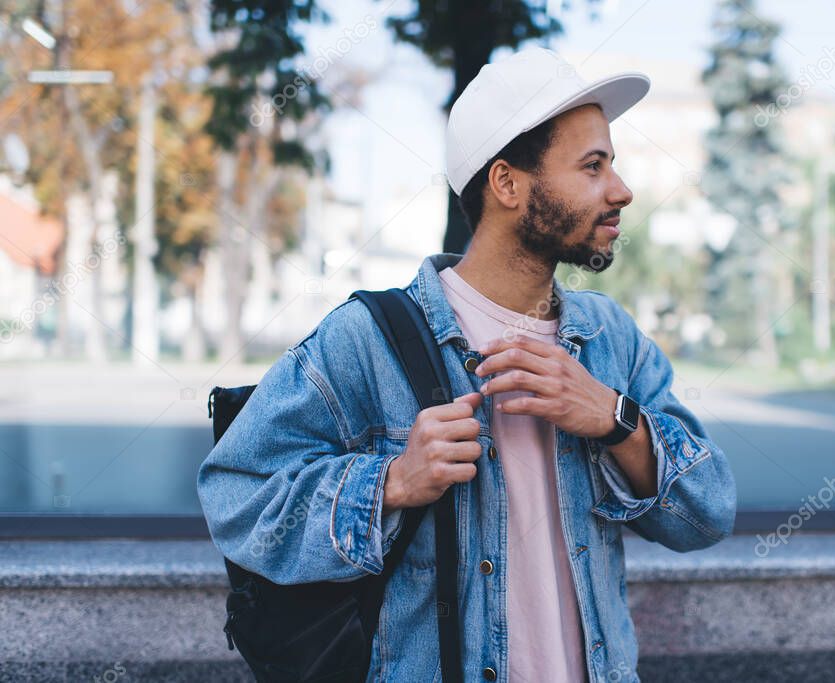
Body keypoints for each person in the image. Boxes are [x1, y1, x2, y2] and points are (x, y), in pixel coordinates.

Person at [197, 46, 736, 683]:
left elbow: (707, 512)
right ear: (507, 183)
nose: (621, 190)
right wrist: (392, 483)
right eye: (593, 166)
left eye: (611, 165)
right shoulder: (366, 339)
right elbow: (236, 497)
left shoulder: (609, 337)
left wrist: (614, 418)